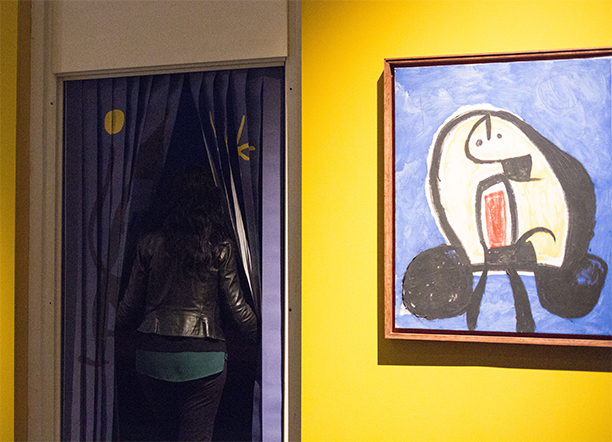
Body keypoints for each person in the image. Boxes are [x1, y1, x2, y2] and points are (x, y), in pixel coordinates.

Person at [116, 167, 258, 441]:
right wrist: (269, 339)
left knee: (164, 435)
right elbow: (238, 309)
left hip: (152, 354)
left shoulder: (149, 244)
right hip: (204, 358)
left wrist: (95, 334)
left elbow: (128, 307)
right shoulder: (221, 248)